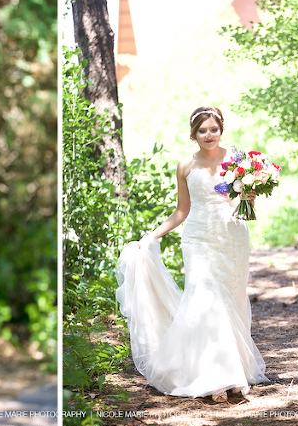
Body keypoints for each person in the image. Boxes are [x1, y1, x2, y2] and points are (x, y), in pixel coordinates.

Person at [115, 106, 268, 403]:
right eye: (202, 130)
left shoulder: (237, 160)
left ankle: (233, 371)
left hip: (231, 238)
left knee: (231, 301)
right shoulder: (185, 165)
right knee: (205, 299)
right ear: (193, 134)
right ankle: (213, 376)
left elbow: (240, 204)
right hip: (198, 240)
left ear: (221, 129)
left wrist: (247, 197)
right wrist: (151, 237)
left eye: (213, 129)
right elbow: (182, 211)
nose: (209, 135)